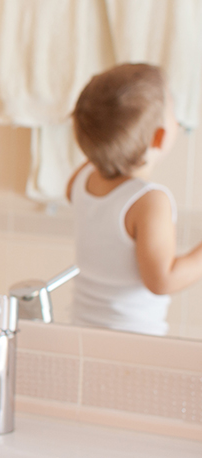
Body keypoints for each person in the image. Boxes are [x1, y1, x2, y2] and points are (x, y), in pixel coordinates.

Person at [67, 63, 202, 335]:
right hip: (133, 340)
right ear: (159, 137)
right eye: (173, 112)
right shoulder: (149, 202)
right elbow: (163, 280)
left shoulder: (81, 178)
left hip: (81, 330)